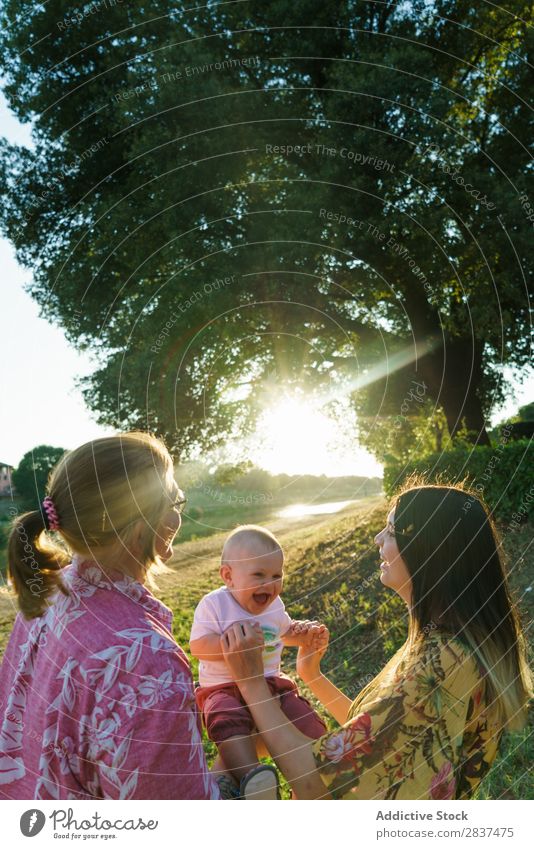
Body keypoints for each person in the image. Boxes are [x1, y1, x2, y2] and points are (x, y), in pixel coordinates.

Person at [219, 485, 532, 800]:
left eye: (392, 531)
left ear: (429, 550)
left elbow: (315, 786)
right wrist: (313, 676)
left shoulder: (442, 661)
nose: (378, 538)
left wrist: (251, 683)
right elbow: (378, 741)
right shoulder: (446, 646)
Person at [0, 432, 220, 800]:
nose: (178, 511)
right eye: (175, 500)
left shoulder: (48, 591)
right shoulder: (148, 666)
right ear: (143, 525)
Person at [190, 524, 328, 798]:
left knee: (302, 714)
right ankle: (252, 778)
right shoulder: (215, 604)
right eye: (259, 575)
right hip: (222, 688)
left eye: (277, 575)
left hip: (271, 684)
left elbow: (283, 631)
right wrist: (230, 646)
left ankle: (319, 759)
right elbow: (197, 646)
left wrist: (302, 635)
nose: (270, 584)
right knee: (228, 724)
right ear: (229, 576)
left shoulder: (274, 606)